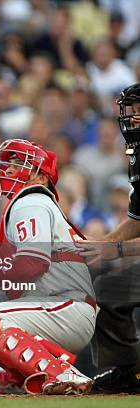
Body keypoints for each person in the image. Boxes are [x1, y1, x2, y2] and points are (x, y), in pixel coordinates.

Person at [0, 138, 96, 395]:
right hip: (60, 306)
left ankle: (60, 373)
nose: (9, 169)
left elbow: (32, 264)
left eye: (20, 164)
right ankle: (27, 373)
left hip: (66, 306)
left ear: (43, 178)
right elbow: (18, 281)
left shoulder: (31, 200)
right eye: (8, 163)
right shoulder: (30, 204)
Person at [77, 83, 140, 393]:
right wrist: (101, 243)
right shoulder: (138, 158)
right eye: (133, 111)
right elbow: (136, 222)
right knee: (109, 289)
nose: (134, 118)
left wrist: (114, 250)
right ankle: (131, 373)